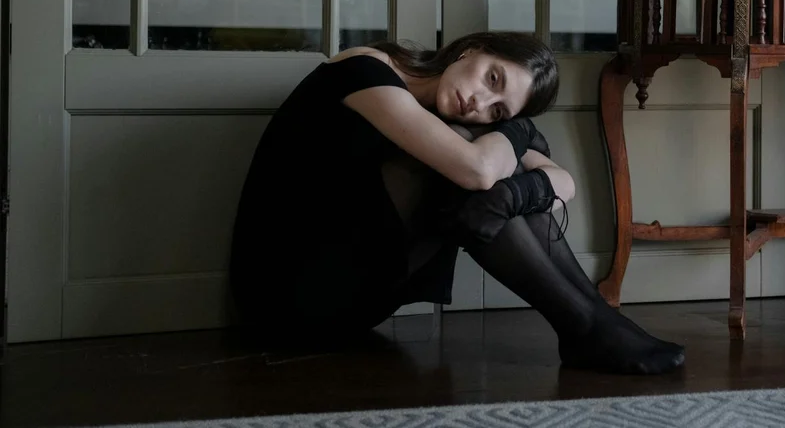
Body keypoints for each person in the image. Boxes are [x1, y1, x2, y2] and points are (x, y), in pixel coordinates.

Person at [228, 32, 685, 375]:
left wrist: (513, 188)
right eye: (492, 78)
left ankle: (596, 323)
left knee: (490, 179)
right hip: (288, 298)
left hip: (357, 301)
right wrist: (517, 132)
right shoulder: (366, 71)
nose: (480, 103)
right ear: (471, 49)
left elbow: (563, 181)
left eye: (499, 111)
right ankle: (589, 329)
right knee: (474, 171)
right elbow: (477, 170)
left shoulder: (461, 120)